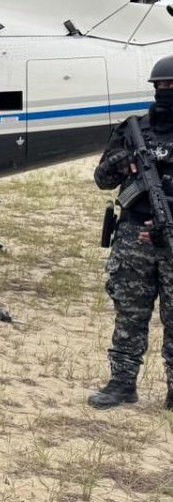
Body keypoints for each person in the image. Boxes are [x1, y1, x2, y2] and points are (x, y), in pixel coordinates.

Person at [88, 56, 173, 411]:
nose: (165, 92)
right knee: (130, 312)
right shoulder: (133, 129)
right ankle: (123, 383)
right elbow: (102, 179)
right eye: (161, 86)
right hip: (133, 234)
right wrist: (122, 163)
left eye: (171, 86)